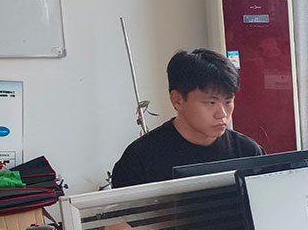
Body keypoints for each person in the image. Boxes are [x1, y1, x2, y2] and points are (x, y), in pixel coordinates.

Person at [111, 49, 263, 188]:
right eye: (211, 102)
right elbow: (121, 217)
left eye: (228, 101)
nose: (222, 113)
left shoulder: (248, 152)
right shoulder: (140, 159)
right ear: (177, 100)